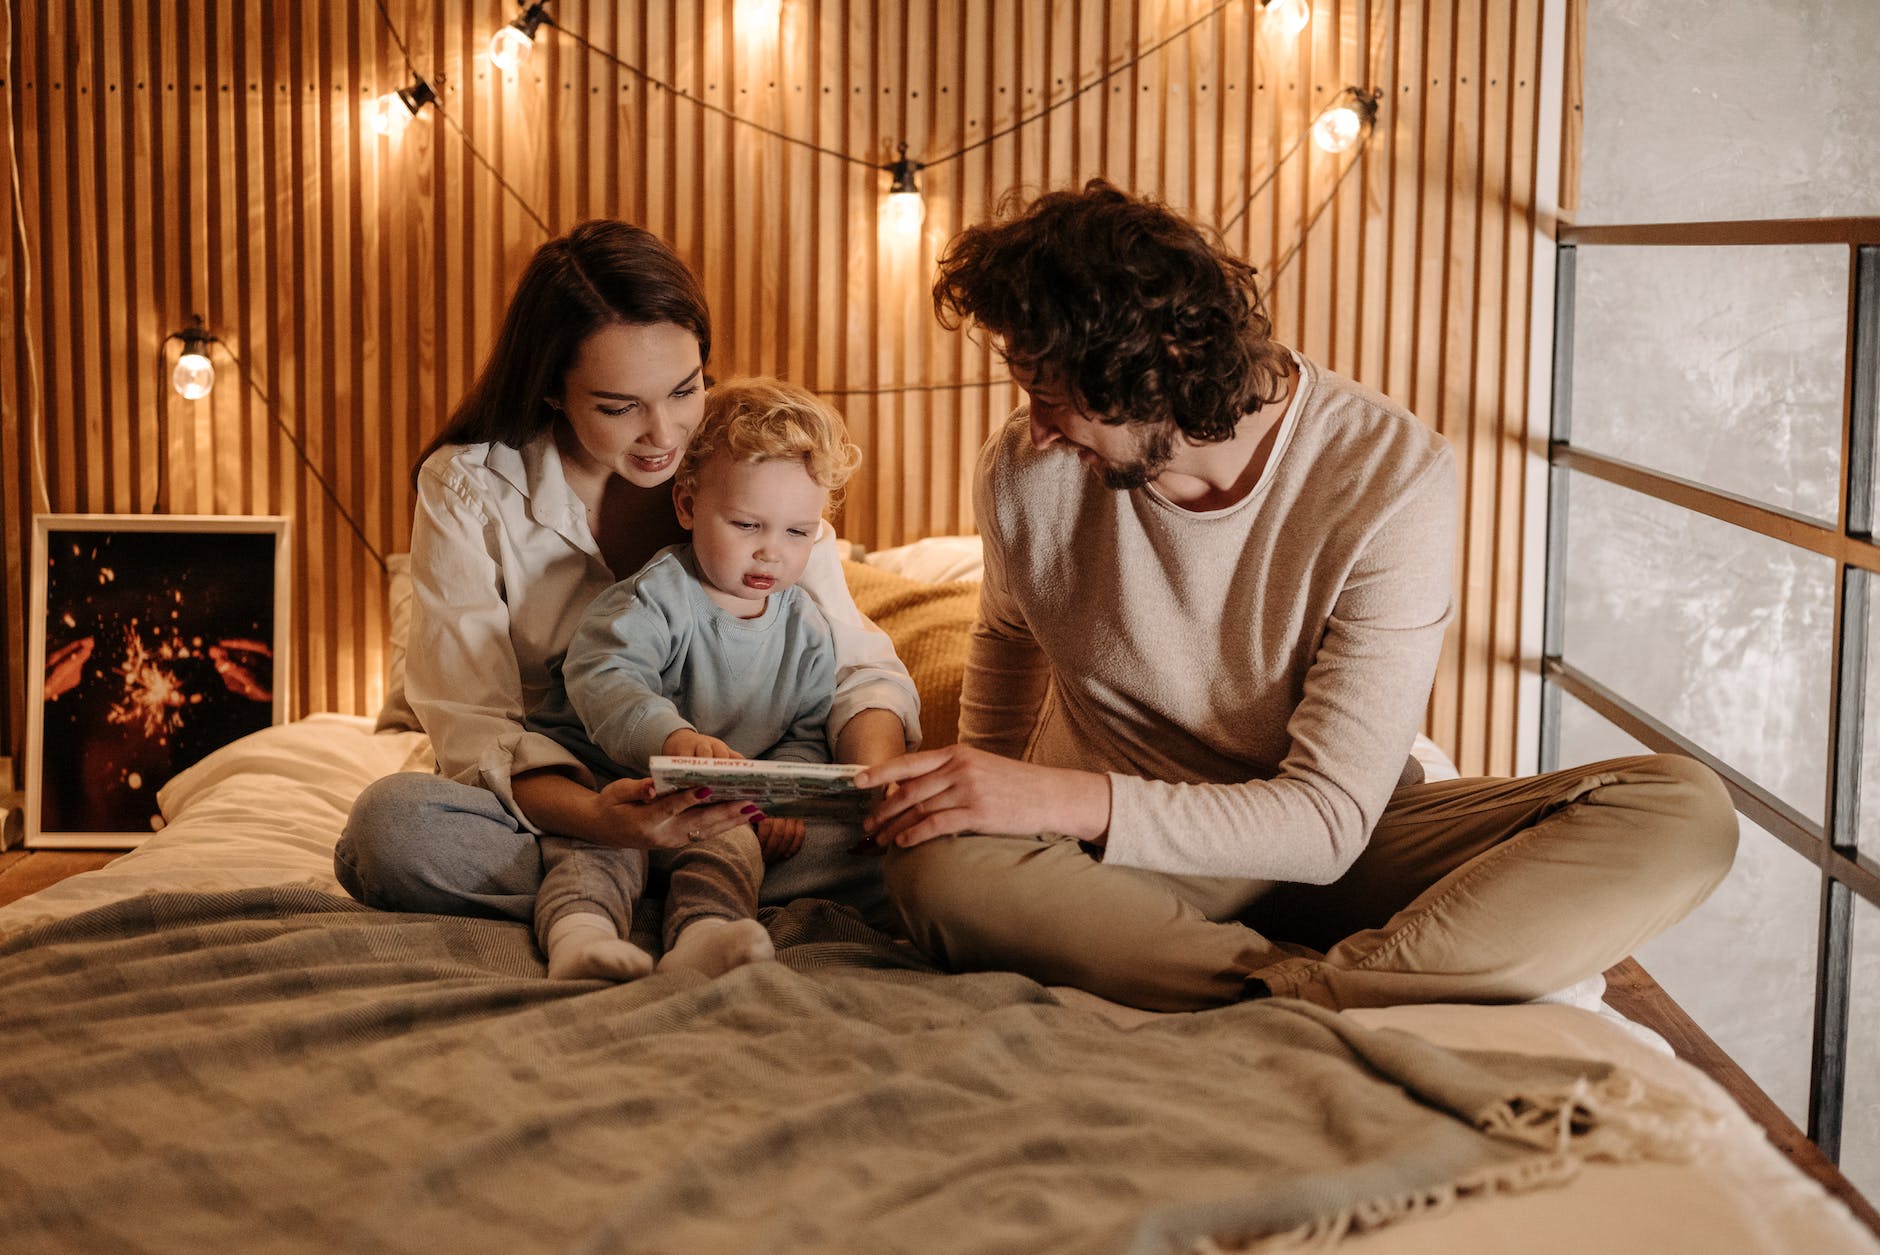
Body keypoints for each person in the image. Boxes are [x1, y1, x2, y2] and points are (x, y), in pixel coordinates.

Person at [854, 181, 1738, 1013]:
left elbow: (1325, 820)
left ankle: (1289, 993)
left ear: (1155, 368)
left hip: (1337, 845)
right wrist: (983, 796)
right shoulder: (1026, 471)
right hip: (1126, 863)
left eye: (1054, 397)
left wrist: (1048, 801)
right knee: (933, 866)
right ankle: (1344, 980)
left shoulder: (1389, 478)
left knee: (1686, 814)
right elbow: (1007, 637)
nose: (1037, 426)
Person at [336, 220, 920, 945]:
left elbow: (855, 673)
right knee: (391, 829)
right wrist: (605, 819)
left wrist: (880, 801)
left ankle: (646, 895)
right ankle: (660, 890)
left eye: (684, 390)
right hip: (578, 804)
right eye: (619, 407)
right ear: (551, 389)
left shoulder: (749, 460)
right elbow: (475, 728)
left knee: (925, 855)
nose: (665, 435)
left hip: (752, 822)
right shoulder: (468, 486)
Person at [526, 378, 868, 981]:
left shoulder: (809, 631)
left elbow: (808, 729)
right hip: (618, 788)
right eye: (746, 525)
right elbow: (606, 677)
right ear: (687, 505)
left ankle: (703, 936)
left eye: (796, 532)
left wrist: (778, 798)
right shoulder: (654, 597)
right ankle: (579, 940)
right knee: (596, 854)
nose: (771, 552)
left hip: (716, 805)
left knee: (733, 848)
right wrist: (672, 738)